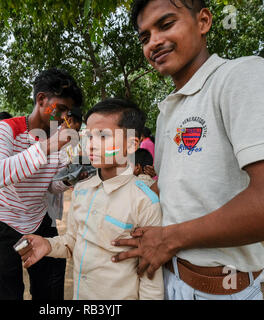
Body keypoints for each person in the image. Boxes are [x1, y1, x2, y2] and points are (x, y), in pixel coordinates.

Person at [112, 0, 264, 300]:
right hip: (168, 278)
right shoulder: (168, 110)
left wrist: (169, 239)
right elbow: (179, 190)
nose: (154, 42)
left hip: (219, 290)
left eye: (165, 25)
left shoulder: (240, 75)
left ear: (203, 21)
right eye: (144, 36)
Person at [18, 98, 164, 300]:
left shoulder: (145, 201)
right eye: (89, 136)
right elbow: (73, 241)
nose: (91, 145)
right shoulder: (81, 190)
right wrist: (48, 245)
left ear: (131, 144)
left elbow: (151, 280)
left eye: (103, 136)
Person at [0, 68, 83, 300]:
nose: (65, 116)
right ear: (41, 100)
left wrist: (72, 177)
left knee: (49, 291)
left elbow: (51, 185)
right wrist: (48, 146)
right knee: (9, 292)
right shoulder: (8, 128)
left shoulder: (59, 137)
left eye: (69, 111)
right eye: (61, 109)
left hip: (39, 219)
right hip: (4, 222)